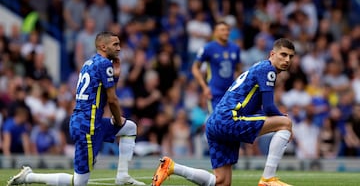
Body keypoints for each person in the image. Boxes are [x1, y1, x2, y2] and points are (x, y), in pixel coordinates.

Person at [7, 32, 145, 186]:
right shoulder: (105, 64)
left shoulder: (89, 62)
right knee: (79, 182)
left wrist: (116, 76)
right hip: (88, 125)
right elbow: (112, 99)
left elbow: (103, 93)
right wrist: (118, 120)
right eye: (115, 45)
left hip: (87, 121)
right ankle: (29, 177)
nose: (119, 48)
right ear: (103, 46)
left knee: (130, 128)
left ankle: (123, 176)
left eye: (119, 44)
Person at [152, 38, 295, 186]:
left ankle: (171, 167)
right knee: (286, 123)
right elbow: (269, 107)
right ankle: (268, 179)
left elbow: (257, 107)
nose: (287, 59)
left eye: (291, 56)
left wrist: (280, 123)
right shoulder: (268, 69)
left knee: (222, 182)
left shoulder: (258, 68)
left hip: (215, 122)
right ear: (272, 54)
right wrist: (284, 123)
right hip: (229, 119)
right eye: (283, 54)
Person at [192, 21, 241, 113]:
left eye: (227, 30)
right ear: (215, 32)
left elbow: (238, 68)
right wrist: (204, 87)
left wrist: (236, 84)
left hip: (230, 92)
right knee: (217, 121)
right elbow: (195, 68)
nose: (226, 32)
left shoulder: (235, 48)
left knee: (231, 121)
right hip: (215, 92)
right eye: (222, 30)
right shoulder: (208, 48)